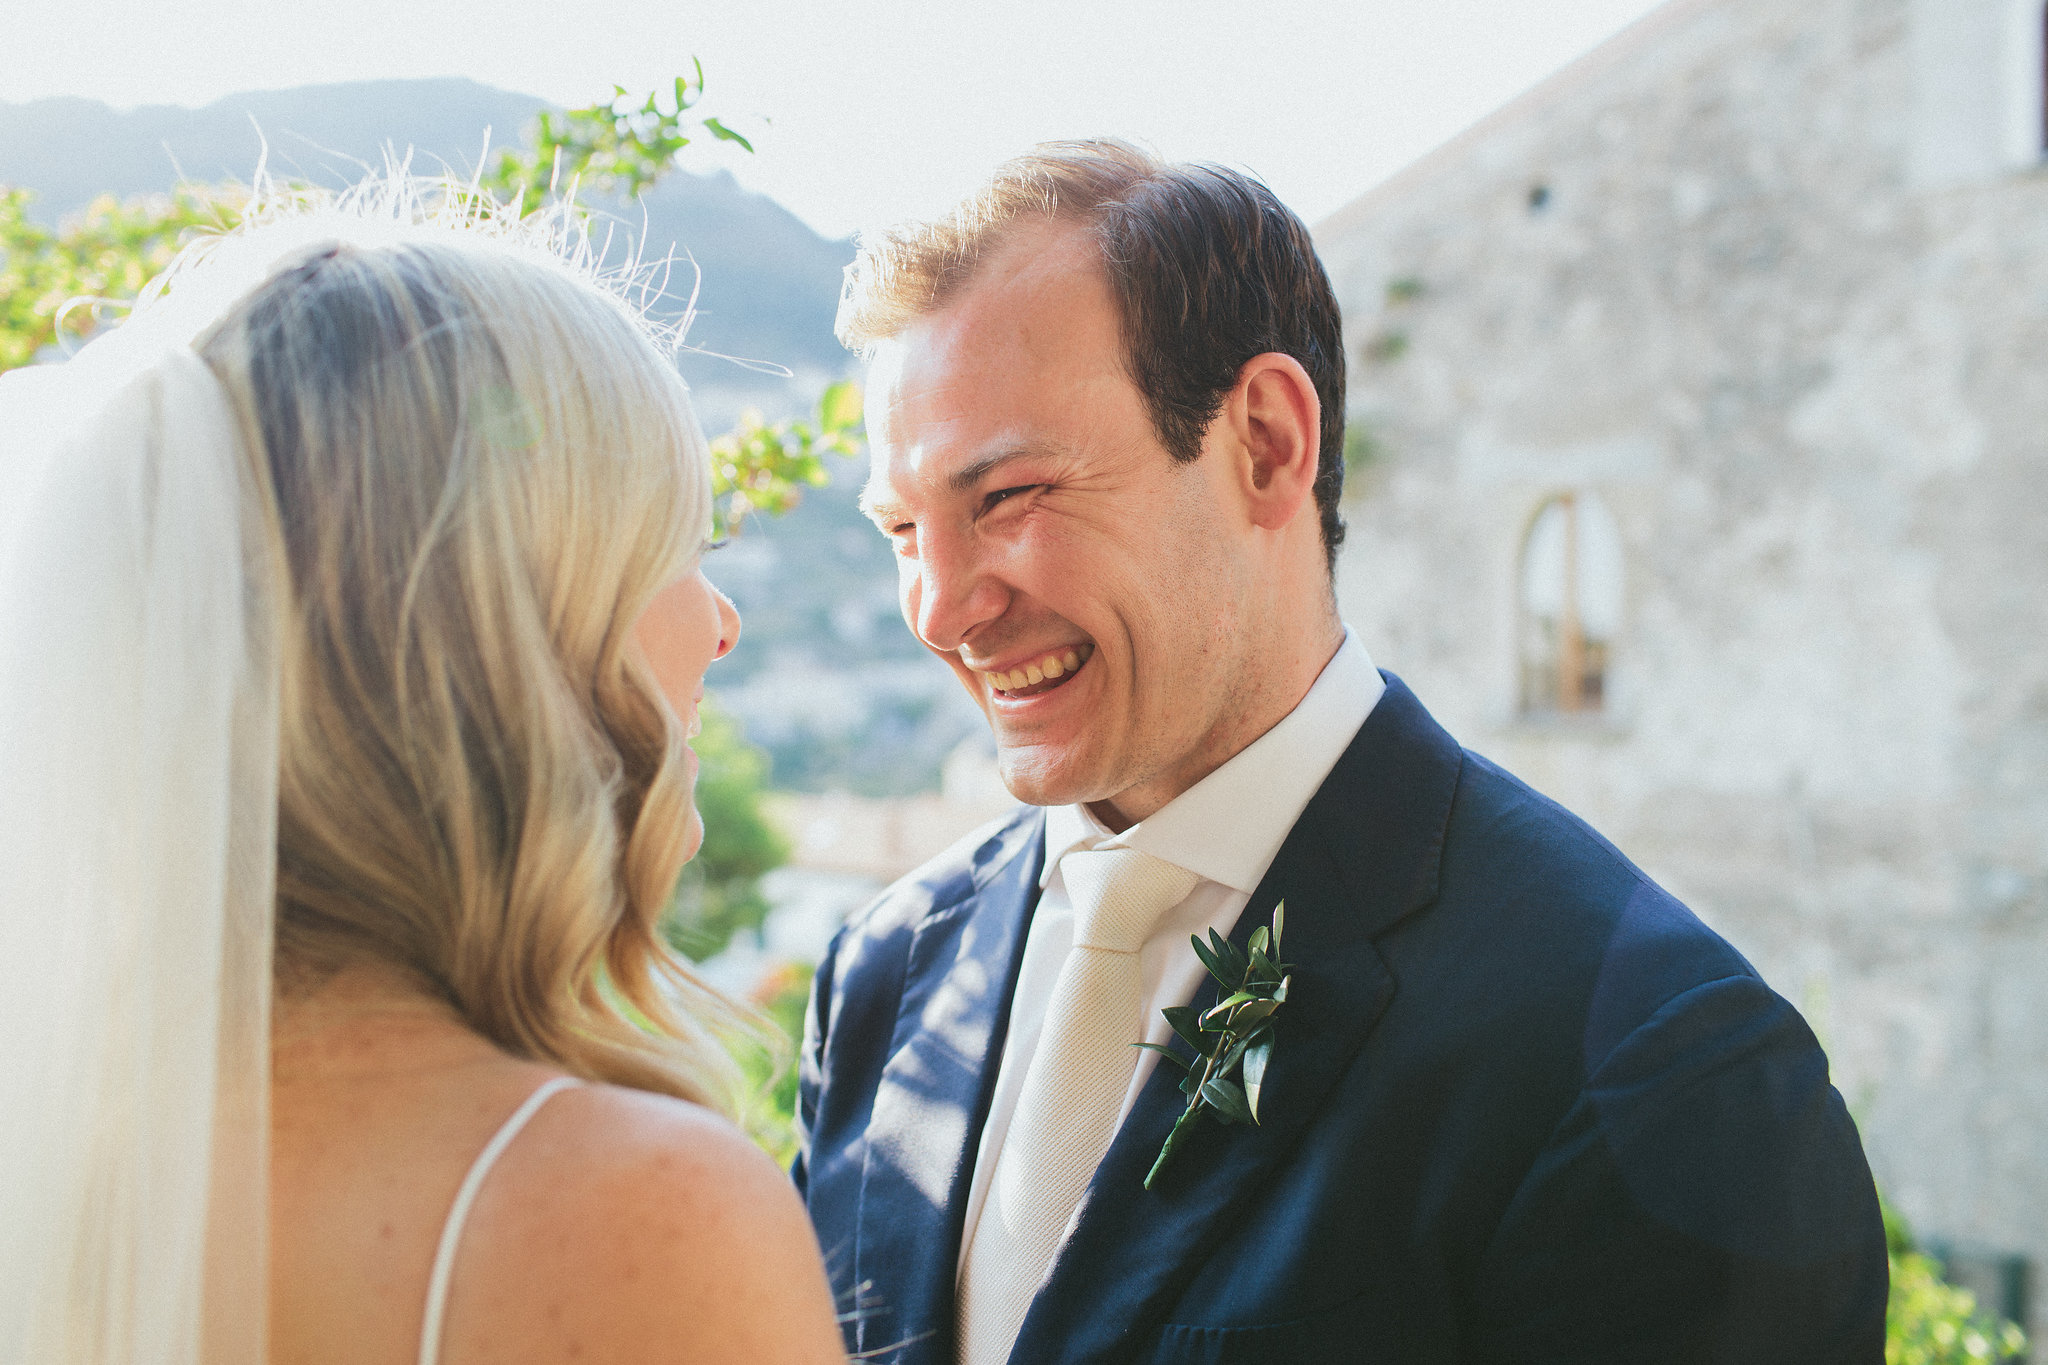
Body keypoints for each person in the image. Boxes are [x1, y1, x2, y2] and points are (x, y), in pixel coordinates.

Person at [794, 140, 1889, 1363]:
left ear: (1264, 443)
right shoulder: (882, 981)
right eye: (901, 527)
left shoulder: (1656, 1066)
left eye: (1006, 499)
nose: (938, 610)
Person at [0, 182, 846, 1365]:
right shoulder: (636, 1215)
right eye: (678, 549)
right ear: (514, 627)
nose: (720, 626)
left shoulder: (53, 1164)